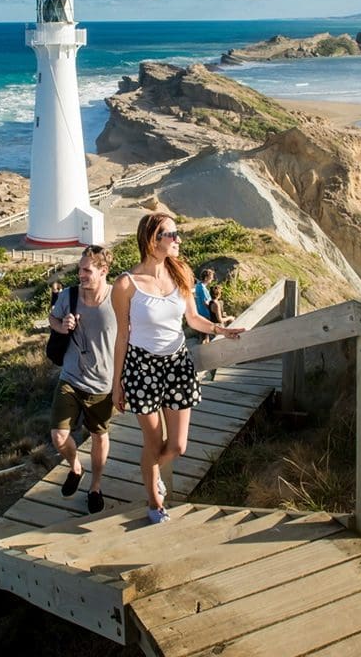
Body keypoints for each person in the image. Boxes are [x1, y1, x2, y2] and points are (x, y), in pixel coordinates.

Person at [112, 213, 244, 524]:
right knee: (154, 443)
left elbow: (193, 319)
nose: (178, 240)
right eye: (171, 234)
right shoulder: (125, 284)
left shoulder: (181, 271)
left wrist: (221, 330)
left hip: (178, 366)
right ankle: (155, 502)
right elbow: (122, 336)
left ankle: (150, 469)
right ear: (152, 240)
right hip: (141, 368)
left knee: (178, 446)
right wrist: (117, 384)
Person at [48, 246, 117, 514]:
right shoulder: (69, 295)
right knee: (58, 435)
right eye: (79, 268)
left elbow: (128, 339)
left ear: (103, 271)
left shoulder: (118, 300)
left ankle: (95, 486)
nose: (80, 274)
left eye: (87, 270)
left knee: (100, 436)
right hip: (71, 377)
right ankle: (75, 466)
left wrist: (121, 382)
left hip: (103, 383)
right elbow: (52, 319)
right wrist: (61, 325)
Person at [195, 269, 214, 343]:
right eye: (211, 277)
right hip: (205, 314)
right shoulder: (202, 288)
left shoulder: (199, 285)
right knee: (205, 337)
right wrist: (213, 312)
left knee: (203, 335)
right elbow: (206, 303)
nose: (212, 279)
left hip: (200, 313)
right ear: (206, 278)